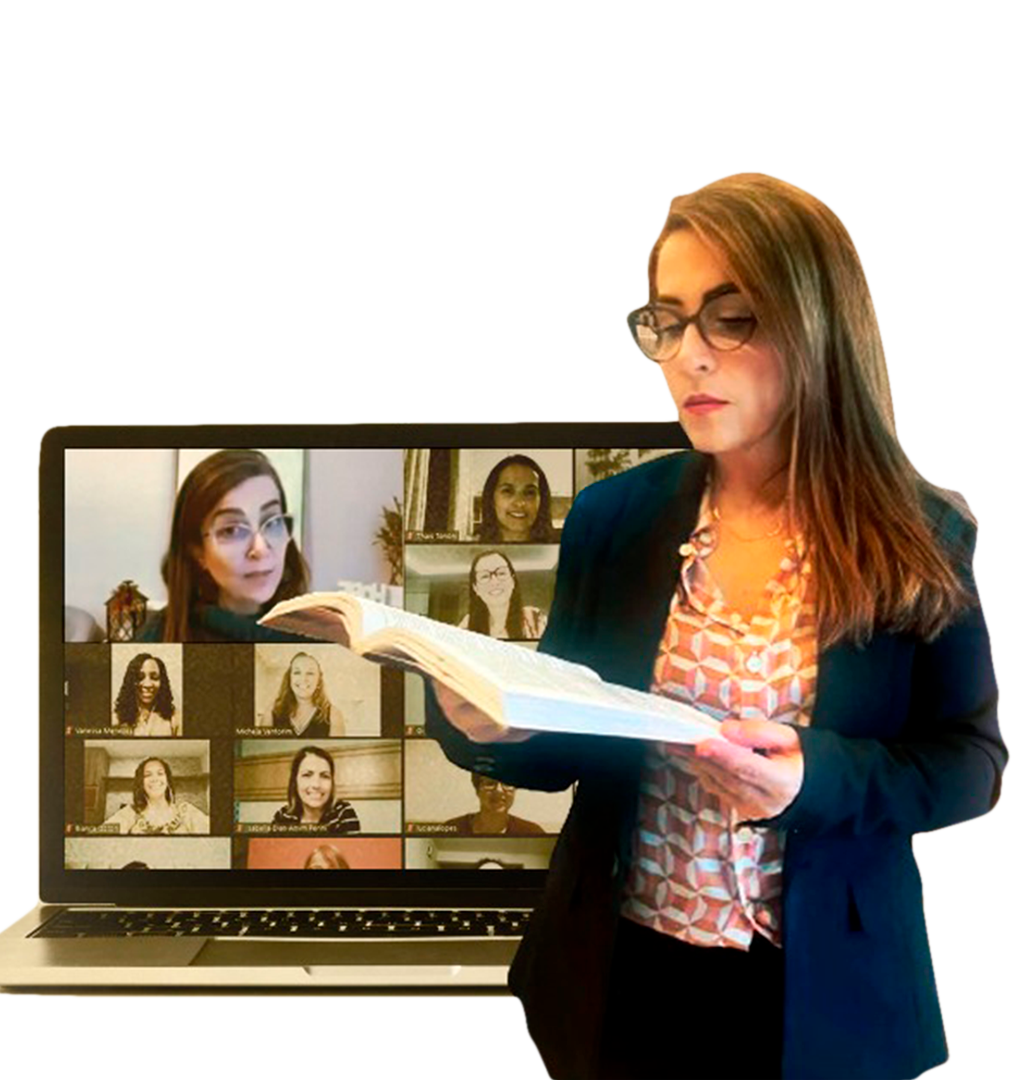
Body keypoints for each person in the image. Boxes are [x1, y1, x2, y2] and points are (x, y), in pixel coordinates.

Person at [427, 173, 1009, 1080]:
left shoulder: (916, 532)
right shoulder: (616, 519)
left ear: (819, 324)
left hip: (821, 988)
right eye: (668, 319)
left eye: (730, 316)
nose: (687, 357)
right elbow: (570, 743)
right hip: (620, 974)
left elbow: (970, 767)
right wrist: (497, 727)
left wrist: (816, 777)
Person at [138, 449, 309, 642]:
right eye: (232, 530)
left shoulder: (317, 633)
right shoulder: (156, 640)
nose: (260, 549)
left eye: (272, 521)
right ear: (198, 552)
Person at [103, 757, 210, 835]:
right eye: (147, 775)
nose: (155, 779)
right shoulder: (129, 812)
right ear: (141, 782)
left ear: (167, 781)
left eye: (160, 773)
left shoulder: (186, 811)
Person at [456, 550, 547, 640]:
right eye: (485, 576)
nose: (495, 582)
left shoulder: (534, 619)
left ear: (513, 581)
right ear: (476, 588)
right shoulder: (466, 627)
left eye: (501, 573)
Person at [272, 746, 361, 833]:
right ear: (295, 782)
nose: (316, 784)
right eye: (307, 775)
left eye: (325, 776)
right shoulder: (282, 816)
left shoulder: (344, 813)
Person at [477, 454, 555, 543]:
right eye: (508, 491)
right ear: (491, 499)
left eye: (529, 493)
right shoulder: (468, 551)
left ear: (542, 501)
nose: (519, 502)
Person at [270, 651, 346, 736]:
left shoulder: (334, 715)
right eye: (297, 672)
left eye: (310, 673)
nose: (303, 678)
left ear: (318, 681)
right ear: (289, 679)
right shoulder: (271, 712)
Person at [445, 772, 545, 836]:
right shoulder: (450, 830)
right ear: (477, 790)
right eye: (490, 783)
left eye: (507, 782)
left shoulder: (532, 832)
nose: (499, 790)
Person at [112, 652, 181, 736]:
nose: (147, 684)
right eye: (140, 677)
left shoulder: (175, 719)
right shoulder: (116, 718)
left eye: (154, 677)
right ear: (131, 681)